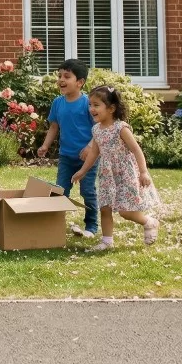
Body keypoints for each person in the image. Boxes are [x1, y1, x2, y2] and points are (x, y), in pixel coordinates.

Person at [71, 85, 160, 250]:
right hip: (107, 174)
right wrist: (82, 171)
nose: (92, 109)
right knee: (105, 208)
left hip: (125, 173)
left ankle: (149, 222)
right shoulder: (96, 129)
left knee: (126, 211)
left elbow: (136, 150)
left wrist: (143, 172)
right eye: (90, 104)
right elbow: (94, 153)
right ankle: (106, 241)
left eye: (96, 105)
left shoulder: (121, 128)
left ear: (111, 108)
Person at [36, 59, 99, 238]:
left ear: (80, 82)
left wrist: (89, 147)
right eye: (59, 76)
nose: (61, 80)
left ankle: (92, 226)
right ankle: (55, 223)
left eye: (67, 76)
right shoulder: (58, 102)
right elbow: (54, 127)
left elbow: (98, 129)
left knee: (87, 191)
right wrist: (45, 145)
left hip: (88, 158)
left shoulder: (88, 103)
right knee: (60, 190)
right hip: (66, 156)